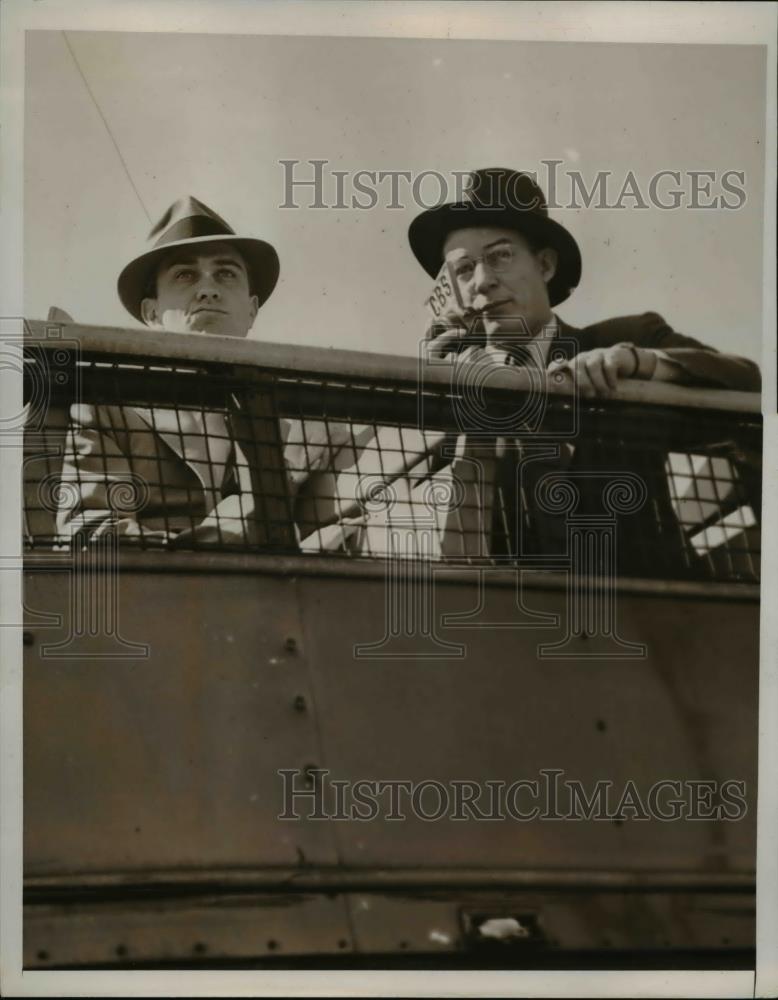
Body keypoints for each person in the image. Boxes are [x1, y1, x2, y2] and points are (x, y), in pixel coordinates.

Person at [406, 167, 761, 571]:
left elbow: (746, 380)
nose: (482, 281)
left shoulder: (623, 337)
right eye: (464, 269)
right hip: (520, 620)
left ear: (545, 265)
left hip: (655, 612)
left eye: (500, 256)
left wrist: (635, 362)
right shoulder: (454, 384)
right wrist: (438, 394)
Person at [56, 196, 364, 549]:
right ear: (151, 313)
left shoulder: (307, 419)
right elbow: (89, 537)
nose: (208, 289)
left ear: (251, 310)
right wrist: (223, 536)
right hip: (160, 601)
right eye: (185, 274)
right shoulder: (109, 408)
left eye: (226, 273)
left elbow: (345, 524)